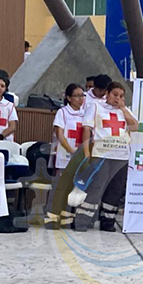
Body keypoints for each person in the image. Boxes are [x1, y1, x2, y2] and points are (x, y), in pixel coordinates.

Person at [74, 82, 137, 232]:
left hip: (121, 156)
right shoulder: (96, 106)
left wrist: (123, 108)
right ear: (107, 94)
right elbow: (87, 128)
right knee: (96, 187)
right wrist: (87, 153)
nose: (118, 98)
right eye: (115, 94)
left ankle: (107, 221)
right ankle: (82, 220)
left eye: (121, 96)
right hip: (101, 154)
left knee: (116, 189)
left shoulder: (125, 110)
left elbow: (135, 127)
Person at [44, 84, 86, 229]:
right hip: (64, 156)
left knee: (74, 189)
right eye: (77, 96)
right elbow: (59, 134)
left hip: (79, 157)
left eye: (82, 95)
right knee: (59, 188)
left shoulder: (85, 113)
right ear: (68, 98)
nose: (80, 99)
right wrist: (71, 150)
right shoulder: (62, 112)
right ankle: (52, 218)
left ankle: (66, 219)